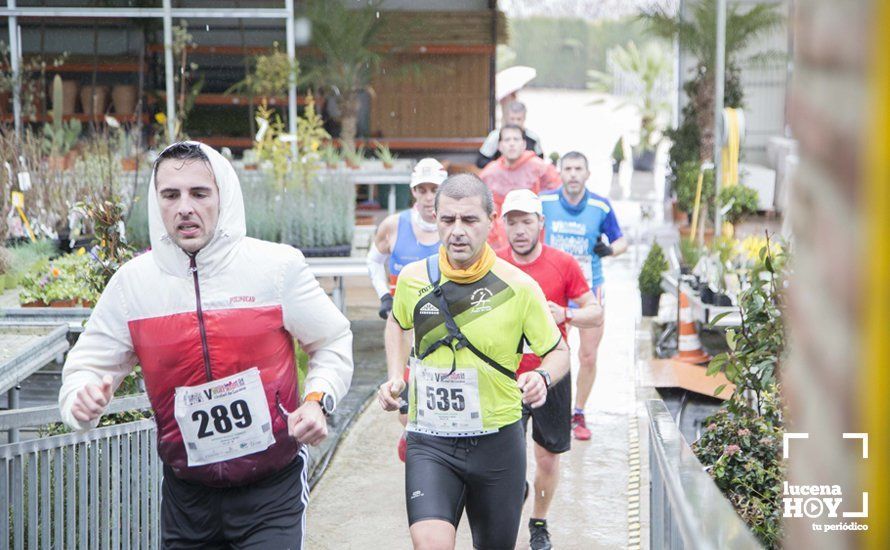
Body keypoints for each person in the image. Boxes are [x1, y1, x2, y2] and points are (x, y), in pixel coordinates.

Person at [58, 141, 354, 548]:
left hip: (271, 489)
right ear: (156, 201)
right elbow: (85, 368)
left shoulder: (276, 268)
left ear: (224, 197)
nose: (184, 207)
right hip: (187, 497)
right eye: (171, 195)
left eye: (199, 193)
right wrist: (80, 399)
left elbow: (333, 340)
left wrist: (317, 400)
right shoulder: (133, 285)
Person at [377, 174, 570, 550]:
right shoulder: (414, 279)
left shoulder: (519, 287)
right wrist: (394, 376)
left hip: (497, 441)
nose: (457, 231)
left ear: (491, 221)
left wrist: (542, 378)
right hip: (430, 438)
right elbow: (397, 324)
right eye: (447, 220)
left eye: (469, 220)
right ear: (435, 220)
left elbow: (559, 350)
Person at [496, 189, 604, 550]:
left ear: (541, 224)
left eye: (527, 221)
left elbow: (595, 311)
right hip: (504, 377)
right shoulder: (493, 265)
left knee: (546, 456)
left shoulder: (563, 264)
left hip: (551, 374)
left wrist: (565, 313)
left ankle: (538, 523)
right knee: (502, 460)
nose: (520, 230)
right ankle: (516, 492)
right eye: (512, 222)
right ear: (503, 226)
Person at [540, 151, 627, 441]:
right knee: (550, 350)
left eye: (579, 168)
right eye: (568, 168)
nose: (573, 174)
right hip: (554, 289)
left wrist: (611, 250)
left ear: (588, 174)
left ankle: (578, 412)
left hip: (589, 289)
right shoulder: (544, 202)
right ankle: (553, 407)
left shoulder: (600, 206)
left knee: (587, 355)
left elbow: (621, 240)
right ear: (560, 173)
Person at [366, 157, 446, 461]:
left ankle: (429, 452)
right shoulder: (394, 225)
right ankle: (414, 437)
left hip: (440, 328)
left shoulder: (452, 228)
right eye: (421, 190)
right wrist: (384, 296)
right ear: (413, 191)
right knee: (404, 404)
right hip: (403, 329)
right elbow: (373, 261)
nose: (428, 197)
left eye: (433, 189)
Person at [479, 124, 561, 250]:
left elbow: (557, 195)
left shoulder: (540, 168)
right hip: (499, 235)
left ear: (524, 144)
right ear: (500, 146)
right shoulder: (489, 173)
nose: (512, 144)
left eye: (516, 139)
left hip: (533, 230)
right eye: (507, 140)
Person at [476, 101, 544, 168]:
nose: (515, 122)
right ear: (507, 118)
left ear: (524, 118)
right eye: (512, 119)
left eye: (519, 119)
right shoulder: (495, 136)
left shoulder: (533, 138)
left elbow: (540, 161)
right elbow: (481, 161)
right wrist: (503, 167)